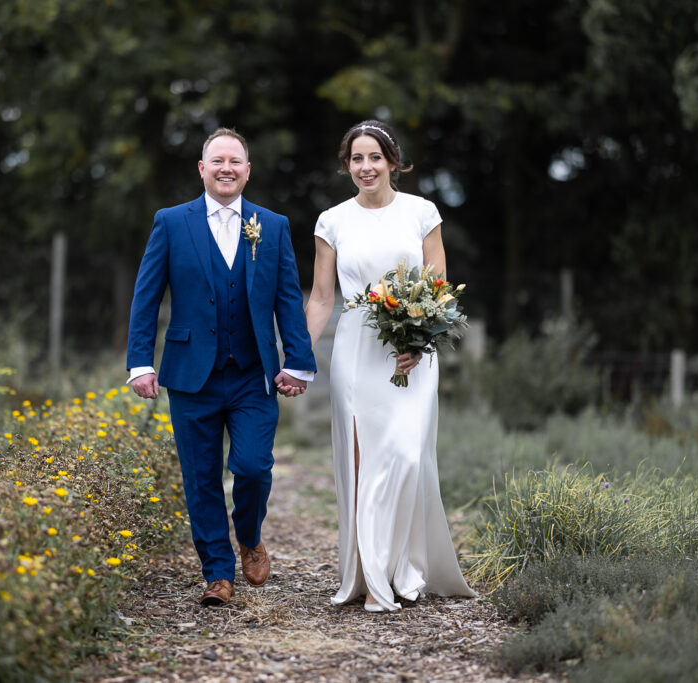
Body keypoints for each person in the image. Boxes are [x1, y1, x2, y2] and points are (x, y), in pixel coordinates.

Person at [126, 128, 316, 607]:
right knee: (201, 476)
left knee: (252, 466)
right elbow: (146, 297)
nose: (226, 168)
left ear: (247, 170)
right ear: (202, 169)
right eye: (217, 161)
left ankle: (249, 536)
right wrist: (139, 363)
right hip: (191, 374)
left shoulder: (271, 226)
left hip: (254, 373)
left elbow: (288, 298)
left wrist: (299, 362)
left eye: (235, 161)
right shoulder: (171, 222)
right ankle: (217, 572)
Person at [304, 120, 475, 612]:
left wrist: (421, 341)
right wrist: (294, 355)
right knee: (363, 463)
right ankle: (370, 574)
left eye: (374, 157)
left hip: (412, 350)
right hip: (357, 350)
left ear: (393, 162)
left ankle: (405, 569)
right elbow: (320, 297)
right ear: (346, 166)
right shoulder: (331, 221)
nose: (366, 167)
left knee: (405, 454)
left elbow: (438, 284)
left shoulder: (422, 213)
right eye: (356, 159)